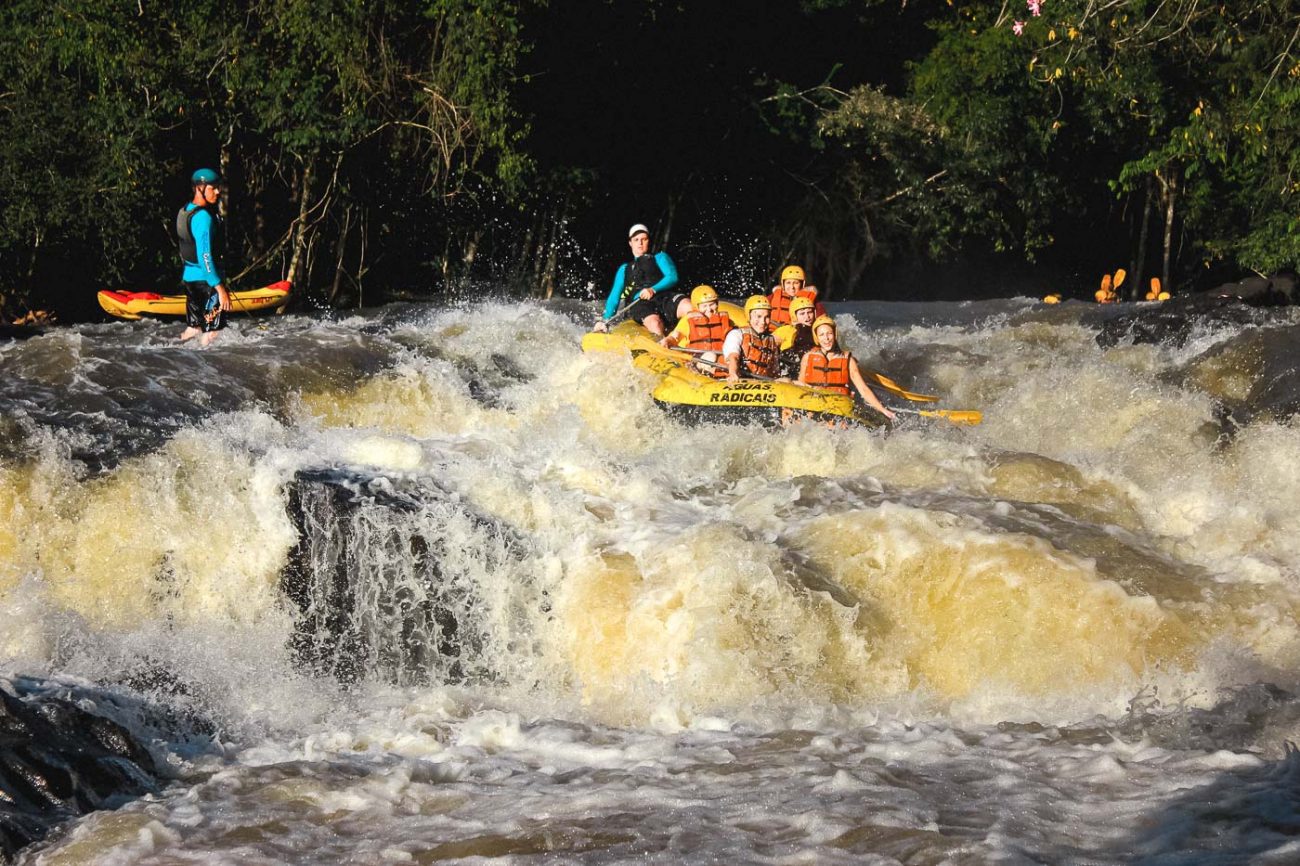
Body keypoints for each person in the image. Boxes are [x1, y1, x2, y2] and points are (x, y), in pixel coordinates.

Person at [800, 315, 895, 421]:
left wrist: (882, 410)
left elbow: (863, 389)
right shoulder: (807, 357)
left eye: (829, 333)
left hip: (839, 408)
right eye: (821, 335)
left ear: (835, 335)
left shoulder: (848, 360)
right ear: (816, 337)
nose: (826, 338)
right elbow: (800, 387)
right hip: (814, 405)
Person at [594, 223, 681, 337]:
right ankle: (660, 344)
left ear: (648, 241)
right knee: (654, 323)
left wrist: (653, 289)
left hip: (663, 301)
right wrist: (605, 320)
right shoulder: (624, 269)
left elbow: (672, 277)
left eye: (644, 239)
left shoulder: (659, 257)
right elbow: (614, 297)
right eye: (636, 240)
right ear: (630, 243)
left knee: (686, 307)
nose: (640, 243)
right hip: (639, 310)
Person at [177, 168, 232, 346]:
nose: (218, 191)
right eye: (213, 188)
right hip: (207, 284)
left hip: (190, 282)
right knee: (213, 335)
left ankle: (178, 361)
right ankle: (208, 373)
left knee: (193, 331)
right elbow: (205, 256)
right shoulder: (203, 218)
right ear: (200, 189)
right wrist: (219, 289)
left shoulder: (184, 211)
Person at [662, 284, 734, 376]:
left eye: (712, 304)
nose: (709, 309)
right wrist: (668, 340)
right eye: (704, 306)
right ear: (697, 307)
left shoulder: (725, 320)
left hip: (719, 357)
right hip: (695, 359)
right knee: (710, 356)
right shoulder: (688, 321)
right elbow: (676, 335)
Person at [723, 295, 782, 382]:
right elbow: (733, 357)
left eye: (767, 317)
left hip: (763, 384)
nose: (762, 322)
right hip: (740, 381)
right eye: (758, 316)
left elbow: (775, 371)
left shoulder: (771, 340)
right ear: (749, 316)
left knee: (787, 381)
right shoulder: (736, 334)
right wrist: (733, 374)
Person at [773, 295, 817, 378]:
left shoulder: (819, 331)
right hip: (789, 370)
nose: (807, 317)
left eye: (809, 312)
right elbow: (768, 346)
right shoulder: (785, 330)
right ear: (794, 316)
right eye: (802, 313)